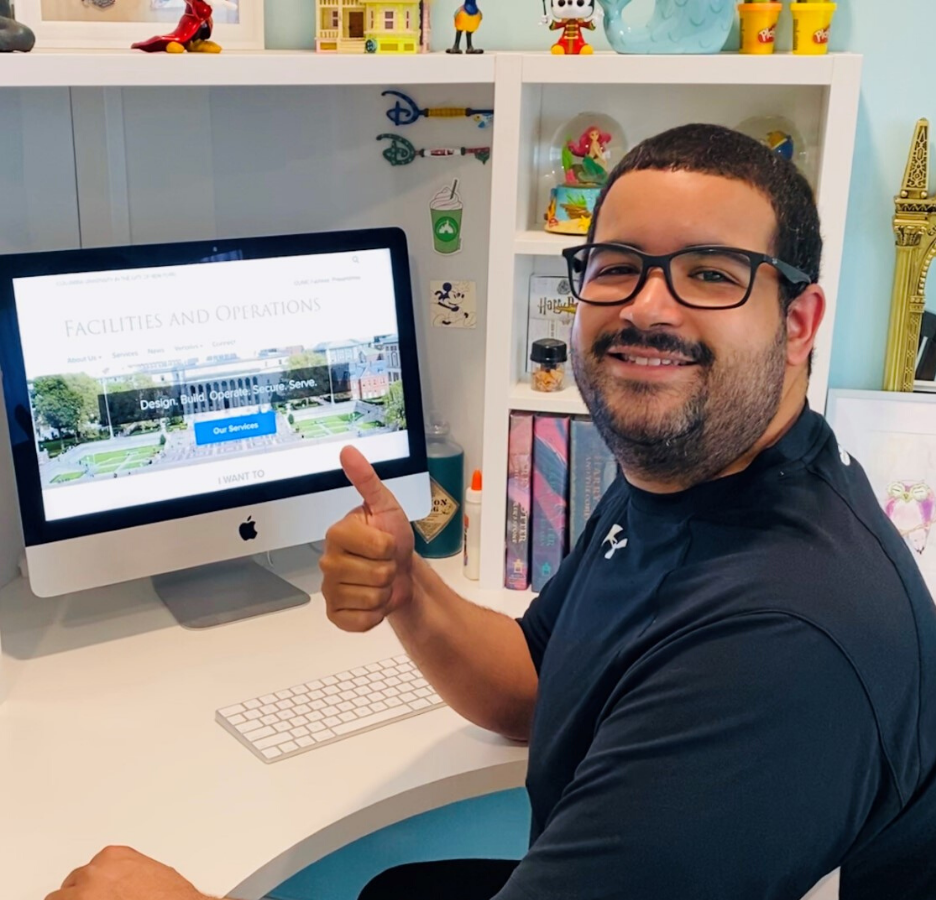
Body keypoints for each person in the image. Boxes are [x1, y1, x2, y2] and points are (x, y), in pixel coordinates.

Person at [46, 125, 936, 900]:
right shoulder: (685, 472)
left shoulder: (781, 645)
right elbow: (535, 686)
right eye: (618, 267)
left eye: (710, 273)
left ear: (798, 320)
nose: (646, 307)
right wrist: (409, 586)